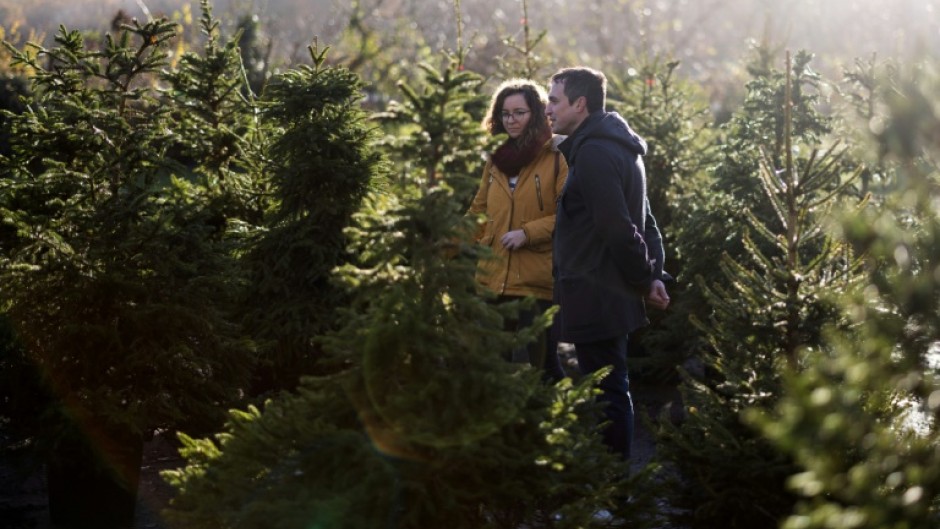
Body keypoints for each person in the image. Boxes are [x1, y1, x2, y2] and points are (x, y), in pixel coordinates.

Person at [546, 67, 670, 462]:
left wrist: (642, 278)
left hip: (598, 293)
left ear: (579, 104)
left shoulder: (596, 152)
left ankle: (613, 499)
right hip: (603, 290)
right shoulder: (616, 145)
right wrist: (651, 275)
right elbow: (646, 220)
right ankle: (607, 492)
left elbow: (618, 227)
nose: (547, 109)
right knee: (607, 386)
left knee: (608, 393)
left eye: (554, 101)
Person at [467, 78, 569, 382]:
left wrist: (527, 233)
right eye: (505, 114)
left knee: (543, 369)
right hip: (493, 278)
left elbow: (570, 215)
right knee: (492, 368)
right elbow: (478, 213)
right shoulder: (494, 160)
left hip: (537, 282)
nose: (511, 120)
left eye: (519, 112)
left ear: (535, 113)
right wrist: (443, 239)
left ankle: (550, 426)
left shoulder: (556, 155)